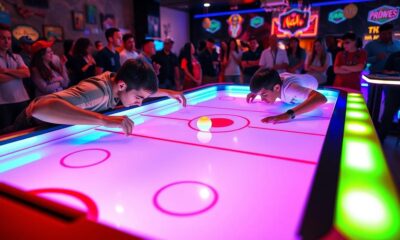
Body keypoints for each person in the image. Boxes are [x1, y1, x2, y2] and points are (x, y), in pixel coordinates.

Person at [1, 59, 186, 135]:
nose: (140, 102)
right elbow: (40, 108)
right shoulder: (96, 92)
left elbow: (141, 90)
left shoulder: (119, 82)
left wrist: (169, 92)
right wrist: (104, 120)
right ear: (122, 85)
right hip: (28, 125)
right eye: (138, 97)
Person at [246, 68, 327, 123]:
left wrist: (288, 115)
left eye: (264, 95)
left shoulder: (289, 89)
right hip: (298, 77)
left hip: (312, 79)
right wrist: (256, 92)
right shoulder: (275, 82)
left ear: (277, 87)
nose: (262, 99)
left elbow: (321, 98)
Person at [0, 24, 31, 129]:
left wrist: (6, 71)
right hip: (3, 103)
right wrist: (17, 74)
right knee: (7, 133)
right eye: (3, 38)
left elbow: (27, 73)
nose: (6, 41)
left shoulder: (16, 57)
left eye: (9, 38)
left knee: (24, 130)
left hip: (22, 99)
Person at [378, 51, 400, 142]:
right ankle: (380, 139)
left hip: (393, 89)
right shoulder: (395, 55)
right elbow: (385, 70)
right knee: (387, 116)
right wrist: (394, 73)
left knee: (387, 115)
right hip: (393, 90)